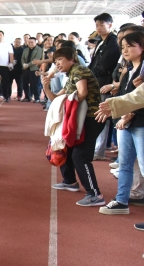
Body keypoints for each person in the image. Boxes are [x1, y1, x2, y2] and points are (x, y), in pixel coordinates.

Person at [46, 46, 105, 207]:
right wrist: (46, 86)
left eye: (60, 60)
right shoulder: (71, 74)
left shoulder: (79, 70)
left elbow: (82, 92)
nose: (57, 64)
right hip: (81, 119)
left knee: (80, 156)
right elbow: (55, 100)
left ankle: (95, 194)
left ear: (71, 58)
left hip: (92, 118)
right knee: (65, 146)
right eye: (55, 61)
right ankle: (70, 181)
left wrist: (68, 108)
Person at [96, 32, 144, 215]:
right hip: (126, 124)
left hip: (140, 123)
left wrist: (127, 114)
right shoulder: (128, 70)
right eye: (123, 46)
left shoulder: (142, 72)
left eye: (130, 46)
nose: (125, 50)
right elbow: (125, 95)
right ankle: (121, 200)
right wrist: (122, 116)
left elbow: (138, 99)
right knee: (125, 164)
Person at [89, 13, 121, 161]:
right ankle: (99, 148)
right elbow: (94, 64)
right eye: (97, 25)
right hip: (98, 83)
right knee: (100, 117)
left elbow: (103, 66)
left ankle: (99, 150)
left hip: (105, 84)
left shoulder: (113, 43)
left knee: (102, 117)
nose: (99, 28)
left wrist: (87, 75)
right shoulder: (101, 42)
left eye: (102, 24)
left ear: (110, 25)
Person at [21, 37, 43, 102]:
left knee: (34, 84)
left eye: (32, 42)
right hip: (25, 69)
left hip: (34, 69)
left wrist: (28, 65)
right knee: (25, 83)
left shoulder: (39, 49)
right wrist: (23, 64)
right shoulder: (25, 49)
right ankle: (27, 97)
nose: (30, 43)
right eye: (29, 42)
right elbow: (22, 58)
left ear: (35, 42)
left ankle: (37, 98)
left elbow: (37, 58)